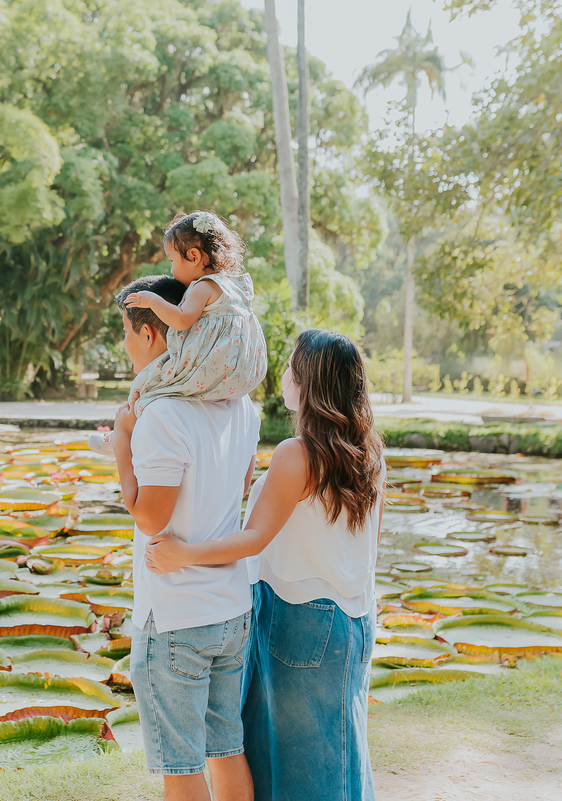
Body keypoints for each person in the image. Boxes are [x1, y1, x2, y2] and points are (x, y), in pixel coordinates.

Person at [147, 329, 384, 801]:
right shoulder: (370, 452)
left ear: (308, 381)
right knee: (339, 749)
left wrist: (185, 553)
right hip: (354, 618)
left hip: (301, 616)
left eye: (292, 365)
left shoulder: (297, 454)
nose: (283, 374)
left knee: (295, 760)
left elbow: (254, 539)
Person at [111, 273, 261, 801]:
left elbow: (151, 519)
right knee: (226, 750)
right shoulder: (242, 407)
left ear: (151, 335)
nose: (124, 346)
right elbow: (237, 488)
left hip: (175, 617)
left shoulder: (161, 414)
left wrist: (121, 447)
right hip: (230, 611)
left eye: (126, 333)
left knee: (181, 767)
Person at [90, 211, 267, 454]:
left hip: (210, 365)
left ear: (193, 256)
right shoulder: (235, 284)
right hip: (240, 370)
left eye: (172, 261)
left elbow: (182, 320)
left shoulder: (203, 286)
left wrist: (152, 301)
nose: (171, 270)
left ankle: (122, 435)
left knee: (154, 381)